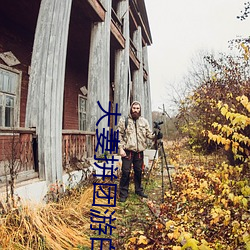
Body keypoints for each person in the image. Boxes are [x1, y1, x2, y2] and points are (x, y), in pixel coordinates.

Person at [117, 101, 159, 202]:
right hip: (127, 151)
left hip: (139, 152)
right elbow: (118, 135)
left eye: (137, 108)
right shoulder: (124, 120)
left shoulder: (144, 121)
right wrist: (120, 148)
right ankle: (123, 193)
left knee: (138, 171)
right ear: (131, 109)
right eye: (134, 108)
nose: (135, 110)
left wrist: (156, 135)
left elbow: (149, 135)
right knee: (126, 172)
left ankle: (138, 190)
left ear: (140, 110)